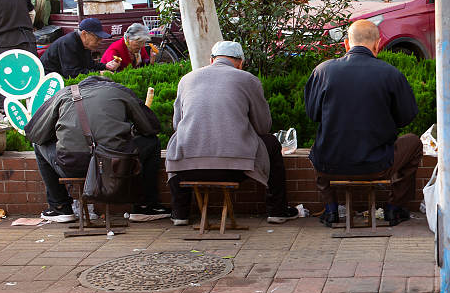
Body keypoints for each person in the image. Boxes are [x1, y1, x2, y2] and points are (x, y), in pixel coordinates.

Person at [165, 41, 298, 225]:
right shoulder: (248, 79)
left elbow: (176, 124)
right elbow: (262, 128)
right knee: (272, 144)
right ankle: (277, 211)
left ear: (211, 60)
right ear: (240, 62)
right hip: (235, 169)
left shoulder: (186, 79)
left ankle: (179, 214)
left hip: (188, 169)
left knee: (177, 141)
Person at [304, 19, 421, 227]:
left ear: (347, 44)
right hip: (378, 164)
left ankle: (331, 210)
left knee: (318, 146)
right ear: (377, 44)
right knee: (413, 142)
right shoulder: (391, 74)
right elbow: (406, 118)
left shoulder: (322, 71)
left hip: (328, 166)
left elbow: (312, 115)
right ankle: (394, 209)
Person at [23, 75, 170, 222]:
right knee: (153, 142)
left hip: (71, 165)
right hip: (115, 165)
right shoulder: (119, 91)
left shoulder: (63, 94)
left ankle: (60, 207)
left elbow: (34, 133)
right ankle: (145, 206)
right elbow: (151, 128)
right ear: (107, 84)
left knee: (39, 145)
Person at [41, 18, 119, 78]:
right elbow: (71, 73)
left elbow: (89, 66)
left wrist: (105, 66)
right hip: (50, 81)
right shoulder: (68, 44)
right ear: (84, 34)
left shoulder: (86, 45)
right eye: (97, 38)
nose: (99, 42)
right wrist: (99, 73)